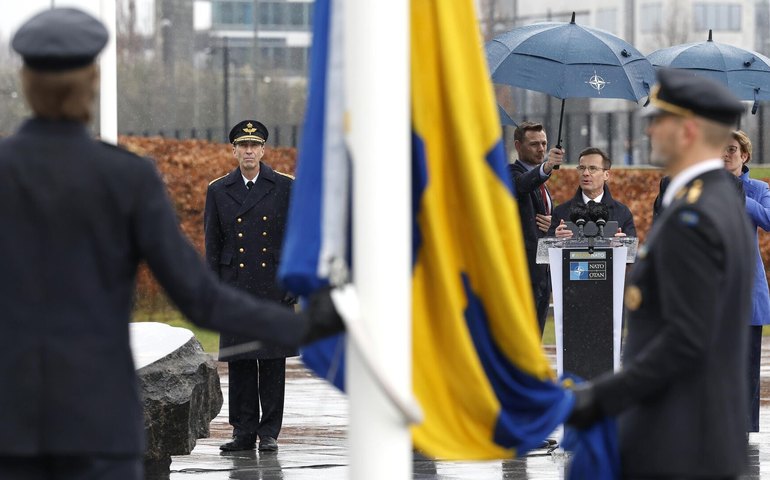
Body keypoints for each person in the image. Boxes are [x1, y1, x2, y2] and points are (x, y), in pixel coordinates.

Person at [0, 8, 341, 480]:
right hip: (101, 417)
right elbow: (201, 297)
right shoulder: (126, 177)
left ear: (27, 82)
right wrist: (310, 326)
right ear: (93, 83)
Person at [567, 69, 753, 479]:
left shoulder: (694, 215)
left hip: (678, 445)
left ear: (686, 130)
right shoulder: (715, 199)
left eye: (658, 121)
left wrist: (599, 398)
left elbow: (685, 339)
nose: (648, 130)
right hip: (696, 442)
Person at [204, 120, 295, 452]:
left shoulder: (285, 187)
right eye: (243, 146)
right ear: (234, 151)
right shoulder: (218, 190)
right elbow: (212, 244)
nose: (248, 151)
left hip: (273, 285)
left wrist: (294, 281)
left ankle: (269, 431)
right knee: (241, 362)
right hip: (235, 287)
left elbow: (296, 238)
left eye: (254, 146)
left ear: (263, 150)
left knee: (271, 363)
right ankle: (243, 431)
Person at [723, 129, 770, 433]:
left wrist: (743, 198)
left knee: (748, 370)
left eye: (731, 149)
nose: (725, 154)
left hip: (748, 291)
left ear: (744, 156)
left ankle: (748, 433)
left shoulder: (757, 188)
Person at [508, 121, 564, 334]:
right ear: (518, 145)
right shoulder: (510, 173)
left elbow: (543, 221)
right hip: (523, 272)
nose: (541, 149)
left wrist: (553, 226)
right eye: (534, 144)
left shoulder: (541, 182)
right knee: (521, 336)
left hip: (543, 272)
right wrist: (547, 166)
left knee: (535, 337)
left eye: (544, 143)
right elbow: (521, 185)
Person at [548, 147, 636, 238]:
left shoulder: (622, 212)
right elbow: (546, 248)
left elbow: (632, 249)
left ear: (606, 175)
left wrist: (624, 243)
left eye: (592, 168)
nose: (585, 173)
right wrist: (555, 239)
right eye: (582, 168)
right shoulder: (561, 212)